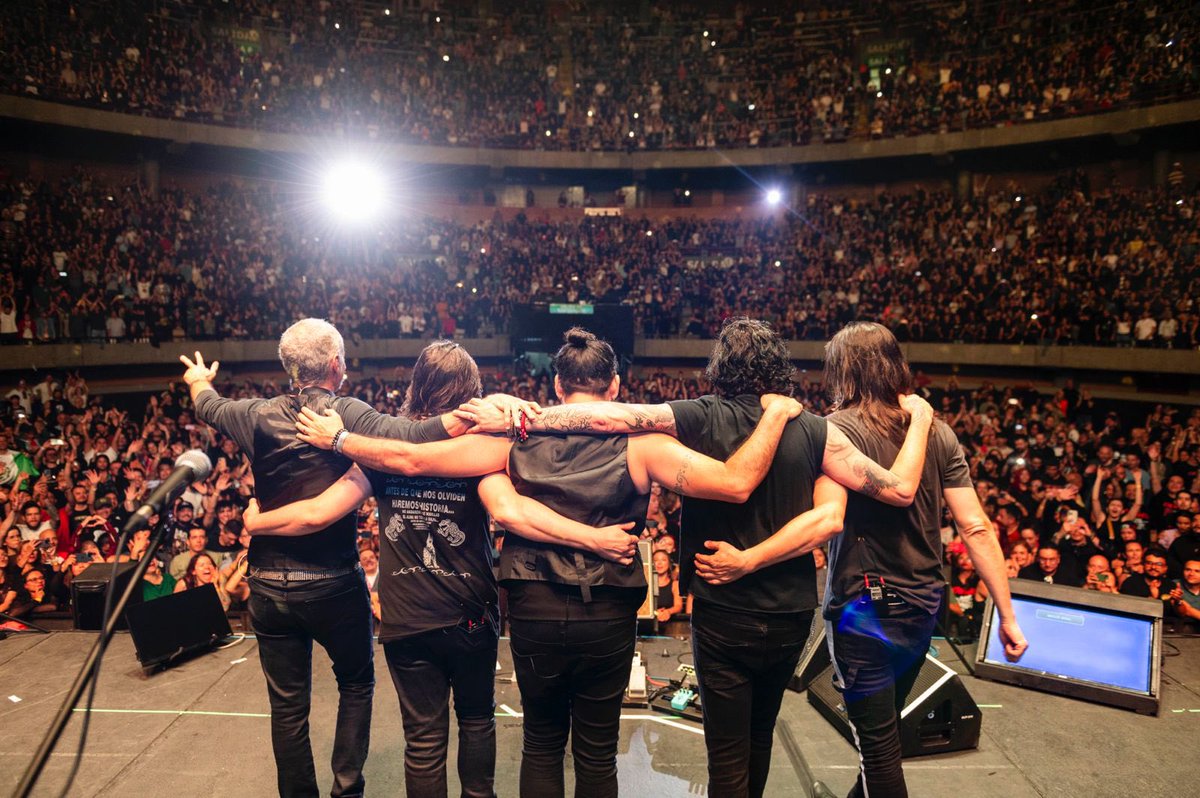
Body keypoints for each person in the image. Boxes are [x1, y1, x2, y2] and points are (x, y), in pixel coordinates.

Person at [284, 327, 805, 798]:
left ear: (558, 388)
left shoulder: (516, 436)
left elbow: (416, 460)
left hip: (532, 607)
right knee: (597, 754)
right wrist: (778, 414)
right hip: (607, 612)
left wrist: (339, 440)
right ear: (616, 386)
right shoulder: (645, 444)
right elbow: (734, 483)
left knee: (540, 744)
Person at [456, 319, 939, 798]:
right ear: (778, 370)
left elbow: (608, 419)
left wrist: (524, 416)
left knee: (711, 750)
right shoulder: (815, 429)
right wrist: (920, 419)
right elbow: (896, 489)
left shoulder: (697, 416)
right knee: (756, 735)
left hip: (717, 605)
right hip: (789, 609)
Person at [682, 321, 1027, 798]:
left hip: (864, 608)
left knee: (879, 749)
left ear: (841, 372)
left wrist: (748, 559)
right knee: (882, 738)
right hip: (925, 604)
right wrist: (1007, 616)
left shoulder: (833, 430)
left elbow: (830, 518)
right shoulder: (939, 433)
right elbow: (975, 527)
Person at [179, 319, 479, 798]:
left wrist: (198, 378)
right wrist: (480, 412)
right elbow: (415, 434)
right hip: (334, 582)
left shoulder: (254, 414)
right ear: (336, 365)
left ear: (290, 367)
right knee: (357, 685)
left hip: (269, 583)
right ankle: (346, 790)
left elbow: (208, 405)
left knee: (287, 706)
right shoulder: (349, 413)